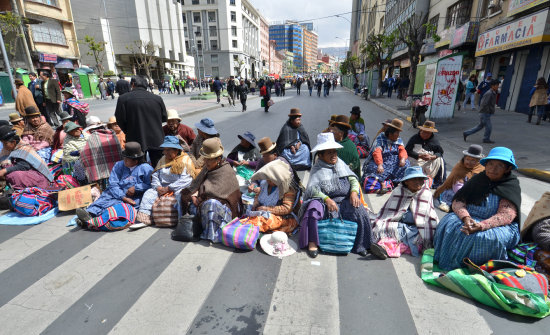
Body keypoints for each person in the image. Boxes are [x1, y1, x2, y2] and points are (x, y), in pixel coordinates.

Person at [434, 147, 521, 270]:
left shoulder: (510, 185)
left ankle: (476, 268)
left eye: (499, 165)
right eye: (490, 164)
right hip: (469, 216)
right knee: (450, 224)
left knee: (485, 238)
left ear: (508, 169)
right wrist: (466, 217)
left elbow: (507, 215)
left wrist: (482, 225)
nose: (493, 168)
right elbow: (459, 200)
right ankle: (449, 261)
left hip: (497, 225)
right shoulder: (478, 179)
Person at [299, 133, 383, 258]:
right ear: (320, 155)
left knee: (361, 211)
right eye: (329, 153)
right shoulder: (317, 169)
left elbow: (353, 179)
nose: (334, 155)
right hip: (325, 201)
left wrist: (354, 192)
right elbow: (312, 189)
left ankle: (363, 244)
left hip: (345, 198)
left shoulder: (340, 163)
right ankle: (313, 242)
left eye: (334, 152)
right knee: (313, 210)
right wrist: (327, 199)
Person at [76, 142, 154, 229]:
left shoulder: (146, 168)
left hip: (134, 197)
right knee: (103, 199)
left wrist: (136, 188)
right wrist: (122, 196)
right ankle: (89, 214)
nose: (124, 161)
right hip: (116, 193)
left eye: (127, 160)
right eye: (124, 158)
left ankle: (92, 221)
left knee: (115, 206)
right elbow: (113, 183)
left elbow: (151, 185)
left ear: (136, 161)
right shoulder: (119, 165)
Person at [180, 138, 242, 242]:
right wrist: (194, 195)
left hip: (224, 209)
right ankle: (188, 226)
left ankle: (213, 234)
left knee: (211, 203)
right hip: (203, 201)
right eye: (205, 159)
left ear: (218, 159)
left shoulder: (226, 171)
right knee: (182, 195)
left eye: (209, 159)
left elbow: (216, 193)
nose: (206, 162)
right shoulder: (207, 168)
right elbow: (196, 184)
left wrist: (200, 198)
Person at [372, 166, 439, 259]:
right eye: (414, 179)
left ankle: (386, 249)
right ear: (406, 182)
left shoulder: (426, 194)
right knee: (381, 226)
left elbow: (428, 218)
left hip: (418, 228)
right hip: (398, 224)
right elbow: (388, 213)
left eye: (420, 179)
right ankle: (384, 248)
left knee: (417, 239)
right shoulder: (398, 191)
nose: (418, 182)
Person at [135, 136, 197, 225]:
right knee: (149, 193)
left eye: (168, 150)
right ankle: (145, 219)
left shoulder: (185, 160)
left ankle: (181, 221)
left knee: (181, 197)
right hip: (161, 188)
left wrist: (169, 188)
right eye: (164, 150)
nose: (165, 152)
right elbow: (155, 175)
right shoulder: (163, 159)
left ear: (176, 150)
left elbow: (186, 180)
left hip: (177, 188)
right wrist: (158, 187)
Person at [115, 75, 168, 167]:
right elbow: (164, 117)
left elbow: (120, 119)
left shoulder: (123, 99)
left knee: (137, 166)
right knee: (159, 166)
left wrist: (129, 130)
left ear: (132, 84)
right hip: (156, 137)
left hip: (135, 138)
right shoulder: (157, 98)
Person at [245, 160, 301, 233]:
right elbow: (259, 196)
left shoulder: (288, 188)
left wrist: (266, 209)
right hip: (263, 212)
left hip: (283, 217)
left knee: (264, 222)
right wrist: (255, 204)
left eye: (272, 180)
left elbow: (287, 208)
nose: (268, 181)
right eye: (268, 179)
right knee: (249, 212)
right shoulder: (265, 183)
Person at [0, 125, 56, 190]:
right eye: (3, 143)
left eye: (5, 143)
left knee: (14, 175)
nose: (4, 146)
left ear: (14, 142)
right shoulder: (6, 150)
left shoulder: (24, 149)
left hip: (37, 175)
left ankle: (22, 190)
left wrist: (5, 170)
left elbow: (24, 166)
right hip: (24, 173)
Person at [361, 119, 409, 194]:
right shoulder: (381, 139)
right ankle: (382, 183)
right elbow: (377, 152)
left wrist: (402, 159)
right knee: (374, 169)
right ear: (390, 134)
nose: (398, 135)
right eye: (397, 133)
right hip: (381, 161)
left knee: (406, 165)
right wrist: (380, 164)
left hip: (394, 162)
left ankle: (394, 183)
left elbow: (402, 150)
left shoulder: (398, 140)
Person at [434, 144, 485, 213]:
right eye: (467, 159)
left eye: (473, 160)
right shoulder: (459, 168)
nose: (469, 162)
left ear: (478, 162)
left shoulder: (481, 169)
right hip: (458, 193)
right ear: (464, 159)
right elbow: (457, 188)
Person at [405, 120, 446, 186]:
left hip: (429, 160)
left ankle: (438, 182)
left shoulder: (434, 140)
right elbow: (407, 150)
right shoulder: (414, 138)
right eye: (424, 132)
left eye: (428, 133)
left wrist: (432, 157)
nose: (425, 135)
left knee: (441, 160)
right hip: (415, 160)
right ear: (421, 131)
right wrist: (419, 155)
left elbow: (440, 152)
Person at [463, 79, 500, 144]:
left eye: (498, 85)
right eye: (497, 85)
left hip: (486, 112)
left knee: (480, 126)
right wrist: (488, 111)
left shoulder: (493, 93)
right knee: (489, 127)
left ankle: (466, 133)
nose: (497, 87)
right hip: (485, 113)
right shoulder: (489, 93)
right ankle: (486, 139)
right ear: (492, 86)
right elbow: (484, 104)